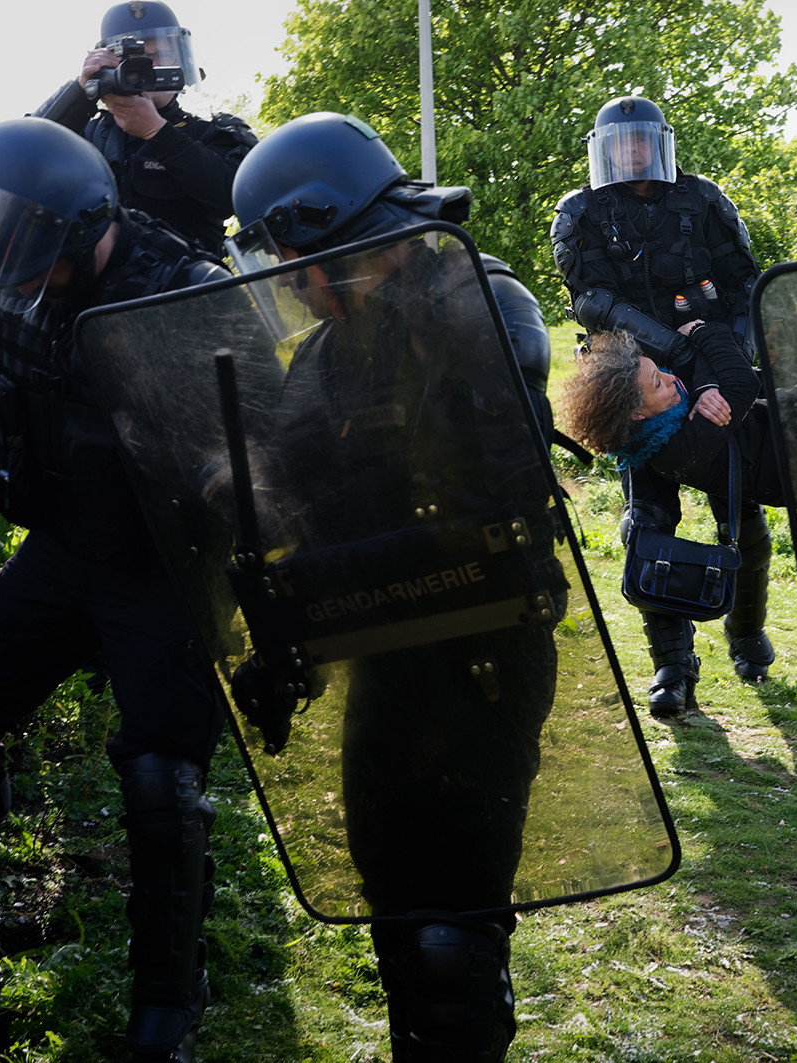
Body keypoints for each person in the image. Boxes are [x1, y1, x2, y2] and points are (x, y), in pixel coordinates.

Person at [0, 118, 230, 1063]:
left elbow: (260, 449)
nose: (9, 272)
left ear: (87, 226)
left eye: (29, 252)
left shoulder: (185, 293)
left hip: (164, 566)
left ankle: (165, 1009)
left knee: (161, 780)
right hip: (64, 549)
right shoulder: (7, 284)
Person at [222, 111, 560, 1063]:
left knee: (456, 928)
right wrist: (230, 484)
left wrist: (319, 586)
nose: (287, 281)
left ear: (334, 231)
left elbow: (488, 525)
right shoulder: (331, 347)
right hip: (386, 645)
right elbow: (292, 477)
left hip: (485, 645)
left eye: (293, 257)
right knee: (390, 893)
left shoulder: (478, 307)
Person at [551, 95, 773, 715]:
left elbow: (744, 284)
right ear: (604, 150)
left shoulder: (703, 200)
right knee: (646, 524)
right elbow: (590, 300)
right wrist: (665, 346)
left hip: (711, 363)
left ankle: (747, 633)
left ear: (661, 142)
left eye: (643, 140)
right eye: (621, 143)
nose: (634, 152)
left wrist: (723, 360)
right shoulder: (581, 212)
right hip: (634, 383)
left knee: (745, 521)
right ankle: (673, 667)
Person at [34, 0, 258, 256]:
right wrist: (79, 90)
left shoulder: (212, 133)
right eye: (136, 56)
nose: (151, 65)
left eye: (162, 54)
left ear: (182, 59)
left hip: (187, 287)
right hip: (96, 290)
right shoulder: (85, 134)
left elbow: (237, 199)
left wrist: (158, 132)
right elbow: (21, 155)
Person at [557, 321, 785, 513]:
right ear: (637, 413)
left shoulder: (663, 413)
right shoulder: (676, 449)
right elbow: (743, 383)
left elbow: (701, 369)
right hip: (796, 455)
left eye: (660, 371)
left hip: (787, 423)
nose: (671, 379)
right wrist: (700, 330)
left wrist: (707, 386)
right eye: (658, 382)